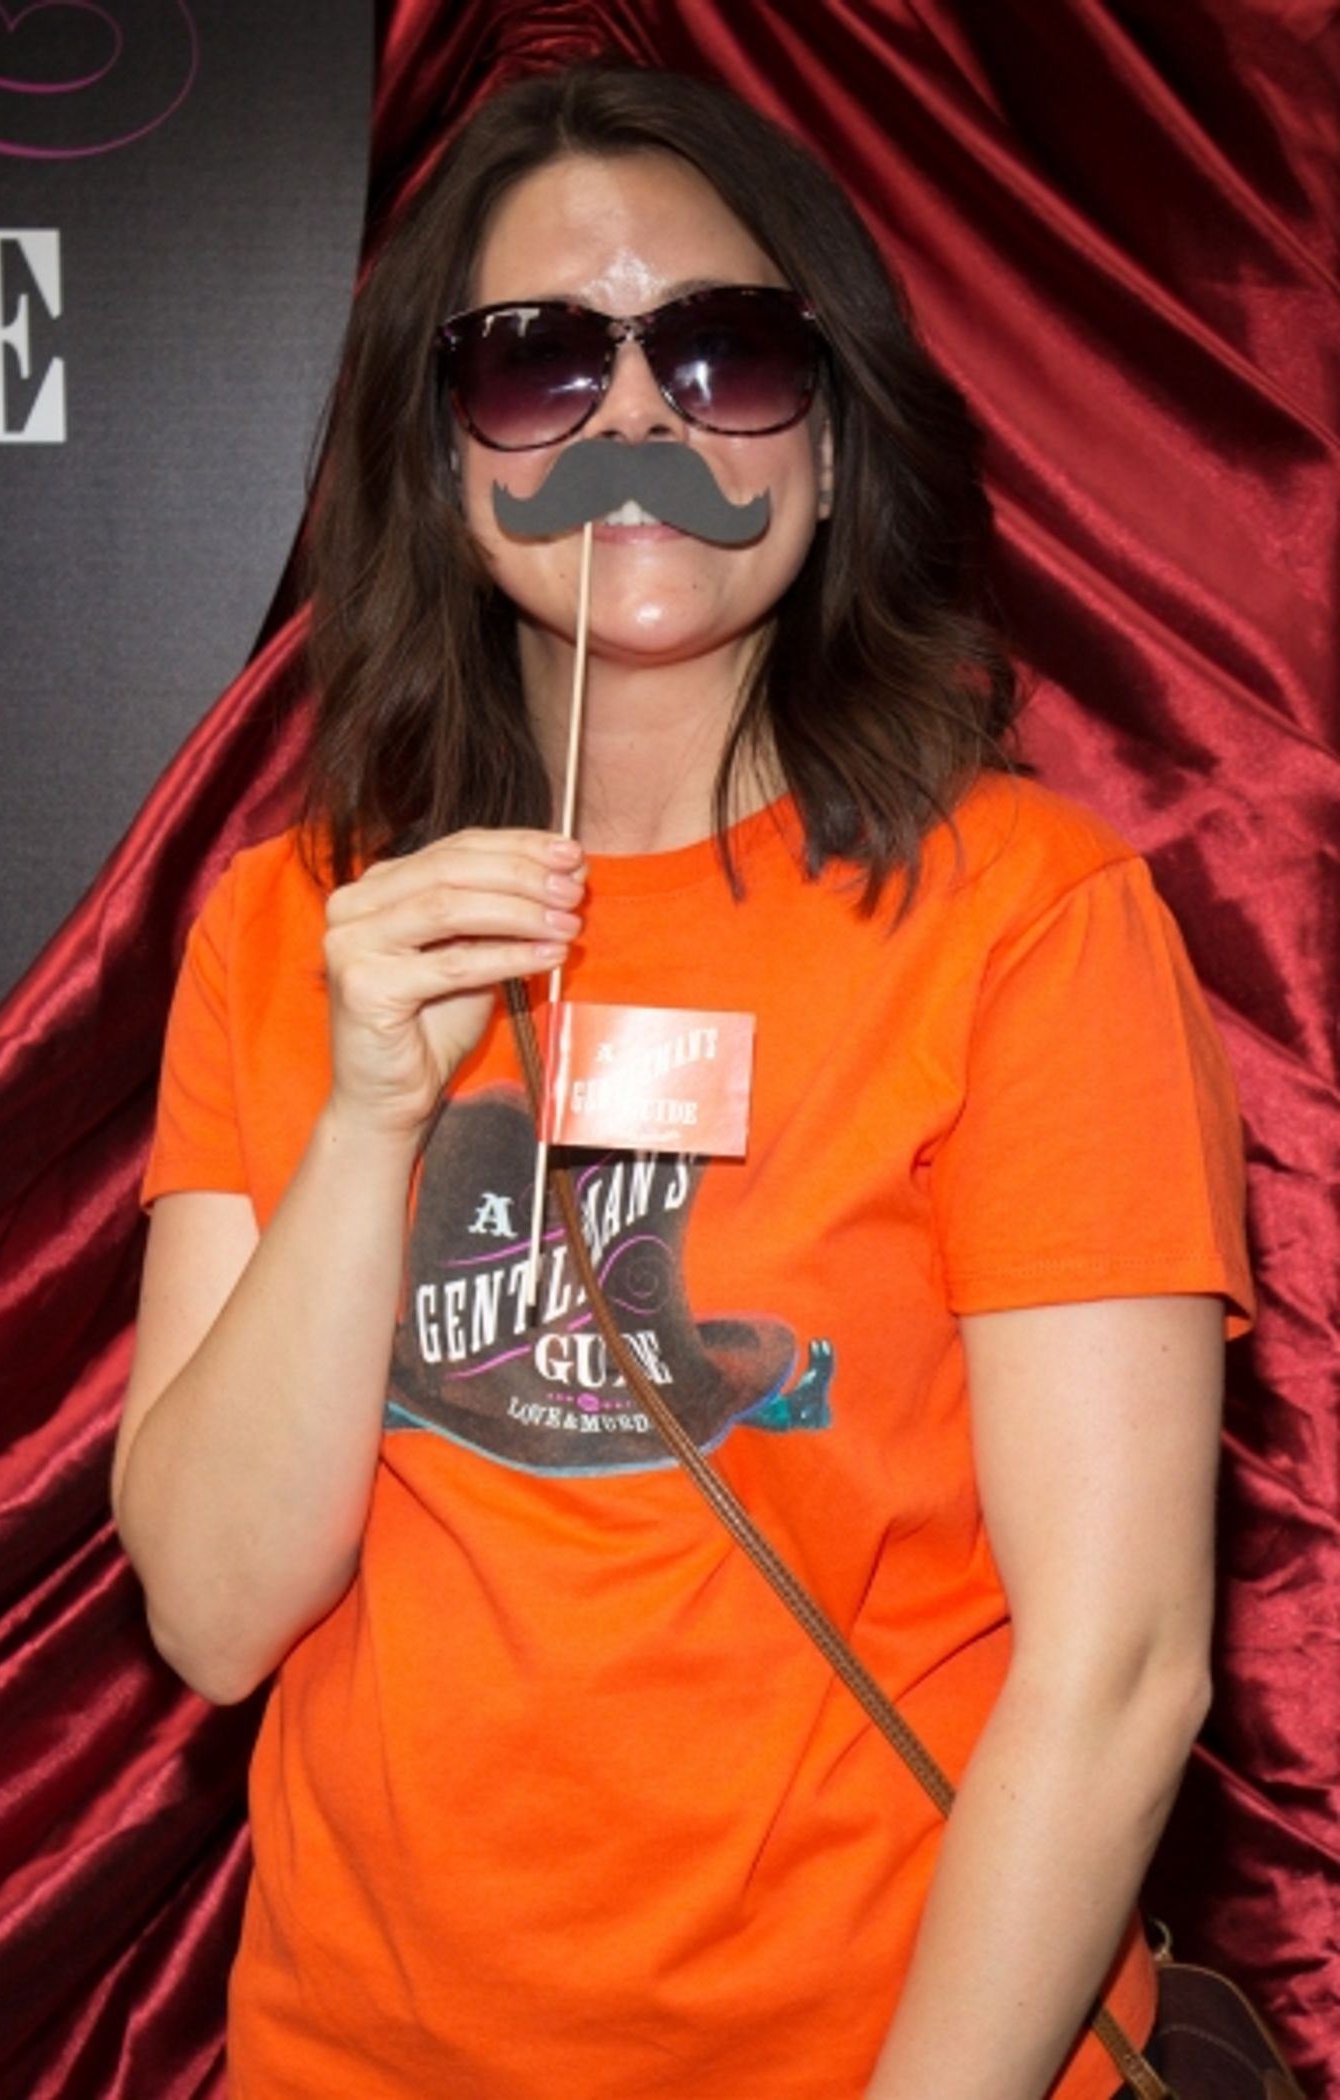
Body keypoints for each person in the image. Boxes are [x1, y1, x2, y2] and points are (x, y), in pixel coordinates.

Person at [112, 62, 1252, 2100]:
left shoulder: (1025, 918)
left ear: (827, 443)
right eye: (538, 364)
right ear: (441, 458)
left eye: (722, 352)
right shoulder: (303, 928)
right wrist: (375, 1105)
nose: (634, 420)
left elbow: (1118, 1667)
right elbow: (208, 1614)